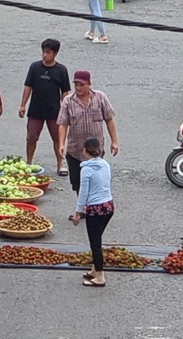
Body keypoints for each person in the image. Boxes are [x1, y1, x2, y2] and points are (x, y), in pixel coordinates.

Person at [57, 70, 119, 194]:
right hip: (75, 150)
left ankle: (91, 208)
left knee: (94, 182)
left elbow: (109, 120)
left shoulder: (100, 97)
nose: (78, 88)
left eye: (81, 85)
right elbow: (63, 124)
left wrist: (114, 141)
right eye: (76, 85)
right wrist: (61, 144)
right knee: (78, 184)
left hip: (95, 151)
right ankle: (81, 210)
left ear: (89, 84)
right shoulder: (68, 101)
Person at [68, 136, 115, 287]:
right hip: (108, 206)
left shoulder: (86, 169)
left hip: (95, 209)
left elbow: (83, 193)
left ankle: (100, 276)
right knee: (97, 239)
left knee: (95, 244)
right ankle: (95, 270)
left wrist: (78, 213)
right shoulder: (105, 164)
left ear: (84, 151)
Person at [20, 39, 72, 174]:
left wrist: (66, 110)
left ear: (55, 53)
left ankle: (60, 164)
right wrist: (23, 105)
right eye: (43, 52)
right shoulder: (35, 67)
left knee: (57, 138)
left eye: (48, 52)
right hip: (35, 110)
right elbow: (28, 86)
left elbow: (65, 92)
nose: (44, 55)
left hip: (54, 111)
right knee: (31, 137)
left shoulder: (61, 70)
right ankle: (29, 162)